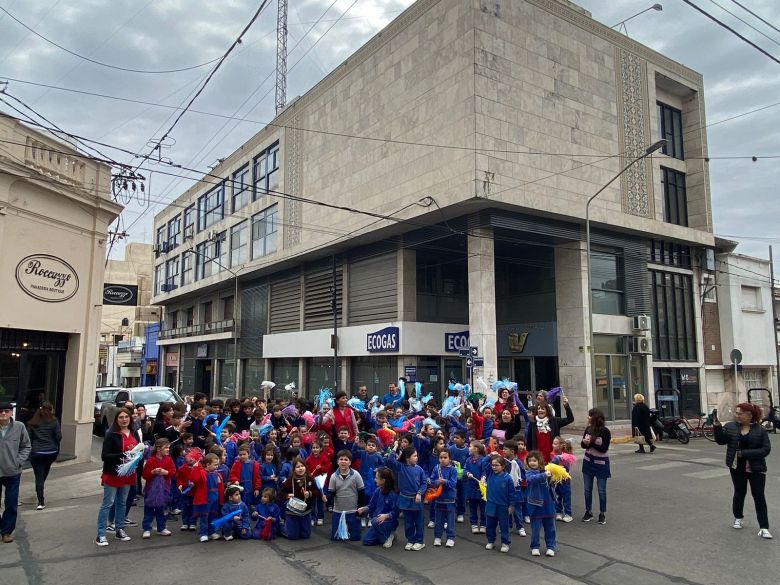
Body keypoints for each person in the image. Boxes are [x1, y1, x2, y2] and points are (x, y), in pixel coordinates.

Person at [713, 402, 772, 539]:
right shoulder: (730, 427)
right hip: (736, 467)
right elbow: (721, 441)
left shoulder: (760, 430)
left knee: (759, 496)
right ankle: (738, 518)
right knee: (739, 492)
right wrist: (717, 427)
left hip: (756, 468)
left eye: (740, 413)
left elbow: (765, 450)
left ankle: (764, 527)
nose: (737, 415)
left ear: (749, 415)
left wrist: (744, 454)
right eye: (736, 413)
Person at [95, 408, 137, 546]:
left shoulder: (134, 432)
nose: (124, 419)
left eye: (126, 417)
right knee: (107, 504)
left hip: (128, 473)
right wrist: (124, 454)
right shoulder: (111, 434)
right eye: (121, 417)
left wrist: (138, 454)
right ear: (116, 419)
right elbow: (105, 456)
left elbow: (138, 449)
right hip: (113, 473)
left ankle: (120, 529)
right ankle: (100, 534)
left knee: (122, 503)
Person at [385, 445, 427, 550]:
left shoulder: (419, 469)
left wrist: (419, 493)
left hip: (416, 500)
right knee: (408, 522)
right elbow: (390, 461)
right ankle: (410, 540)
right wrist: (394, 447)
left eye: (417, 456)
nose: (417, 457)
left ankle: (419, 541)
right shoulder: (400, 467)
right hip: (404, 499)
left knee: (419, 522)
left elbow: (424, 483)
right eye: (414, 456)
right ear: (408, 458)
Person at [0, 401, 31, 543]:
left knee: (11, 503)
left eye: (6, 411)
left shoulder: (19, 427)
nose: (3, 413)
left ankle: (6, 532)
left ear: (11, 413)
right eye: (1, 411)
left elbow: (26, 446)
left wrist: (18, 462)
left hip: (13, 472)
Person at [25, 401, 61, 511]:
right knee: (44, 471)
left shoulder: (32, 423)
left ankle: (41, 501)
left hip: (37, 452)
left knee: (39, 475)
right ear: (51, 410)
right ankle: (40, 489)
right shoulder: (54, 421)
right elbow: (58, 436)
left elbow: (28, 439)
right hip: (51, 452)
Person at [141, 438, 176, 538]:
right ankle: (146, 528)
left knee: (161, 509)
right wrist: (152, 472)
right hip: (151, 489)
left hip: (164, 489)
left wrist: (166, 472)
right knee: (149, 509)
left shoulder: (169, 459)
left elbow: (173, 471)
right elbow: (145, 475)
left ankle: (161, 528)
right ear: (158, 449)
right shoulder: (151, 461)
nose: (168, 449)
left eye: (168, 447)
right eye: (166, 448)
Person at [581, 408, 611, 525]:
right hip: (588, 462)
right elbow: (583, 445)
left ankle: (602, 513)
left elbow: (604, 449)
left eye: (590, 415)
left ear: (595, 417)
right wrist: (585, 443)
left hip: (601, 464)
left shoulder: (605, 431)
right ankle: (588, 511)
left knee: (601, 490)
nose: (588, 417)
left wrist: (591, 443)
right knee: (587, 489)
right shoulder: (588, 429)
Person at [327, 449, 365, 541]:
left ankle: (351, 528)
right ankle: (341, 527)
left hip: (353, 510)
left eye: (346, 459)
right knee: (335, 537)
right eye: (341, 459)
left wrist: (360, 509)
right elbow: (331, 494)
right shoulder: (333, 476)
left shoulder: (356, 475)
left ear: (350, 462)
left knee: (355, 538)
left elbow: (361, 493)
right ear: (337, 461)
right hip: (338, 511)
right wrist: (327, 499)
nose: (343, 461)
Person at [525, 450, 557, 557]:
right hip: (535, 505)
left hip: (548, 504)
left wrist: (553, 476)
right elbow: (532, 479)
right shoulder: (529, 472)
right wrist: (544, 475)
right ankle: (535, 546)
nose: (532, 463)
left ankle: (551, 546)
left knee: (550, 528)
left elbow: (553, 480)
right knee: (535, 528)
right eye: (530, 461)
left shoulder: (546, 470)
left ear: (540, 461)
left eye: (534, 460)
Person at [359, 467, 399, 548]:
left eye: (377, 478)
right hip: (377, 521)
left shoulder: (392, 494)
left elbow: (397, 512)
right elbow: (371, 505)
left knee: (374, 521)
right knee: (367, 541)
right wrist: (364, 508)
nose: (374, 479)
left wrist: (386, 516)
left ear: (383, 480)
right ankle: (388, 535)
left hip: (388, 522)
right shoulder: (378, 491)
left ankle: (388, 536)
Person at [485, 455, 515, 553]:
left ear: (503, 466)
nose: (494, 467)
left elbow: (512, 494)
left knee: (504, 526)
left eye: (496, 465)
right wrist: (489, 456)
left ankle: (505, 543)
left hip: (503, 506)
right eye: (492, 465)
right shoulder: (490, 474)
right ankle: (490, 541)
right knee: (490, 525)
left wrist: (511, 505)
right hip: (491, 504)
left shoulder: (508, 478)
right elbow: (484, 464)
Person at [430, 449, 458, 548]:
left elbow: (453, 483)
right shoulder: (436, 468)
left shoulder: (453, 469)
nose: (442, 460)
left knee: (450, 519)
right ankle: (438, 537)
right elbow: (432, 481)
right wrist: (437, 482)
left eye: (445, 457)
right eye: (441, 457)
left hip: (450, 498)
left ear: (450, 459)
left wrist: (444, 481)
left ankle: (450, 538)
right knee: (439, 519)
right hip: (439, 498)